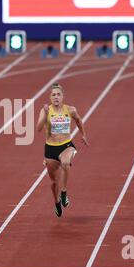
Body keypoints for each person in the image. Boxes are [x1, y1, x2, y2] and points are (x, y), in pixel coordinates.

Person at [37, 83, 89, 217]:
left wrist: (83, 134)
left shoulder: (70, 109)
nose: (56, 97)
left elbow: (78, 120)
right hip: (50, 148)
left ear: (62, 97)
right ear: (50, 97)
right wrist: (45, 115)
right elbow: (38, 128)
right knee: (54, 183)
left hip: (66, 145)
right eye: (53, 95)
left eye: (58, 94)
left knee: (66, 163)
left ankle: (64, 192)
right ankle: (57, 202)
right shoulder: (45, 110)